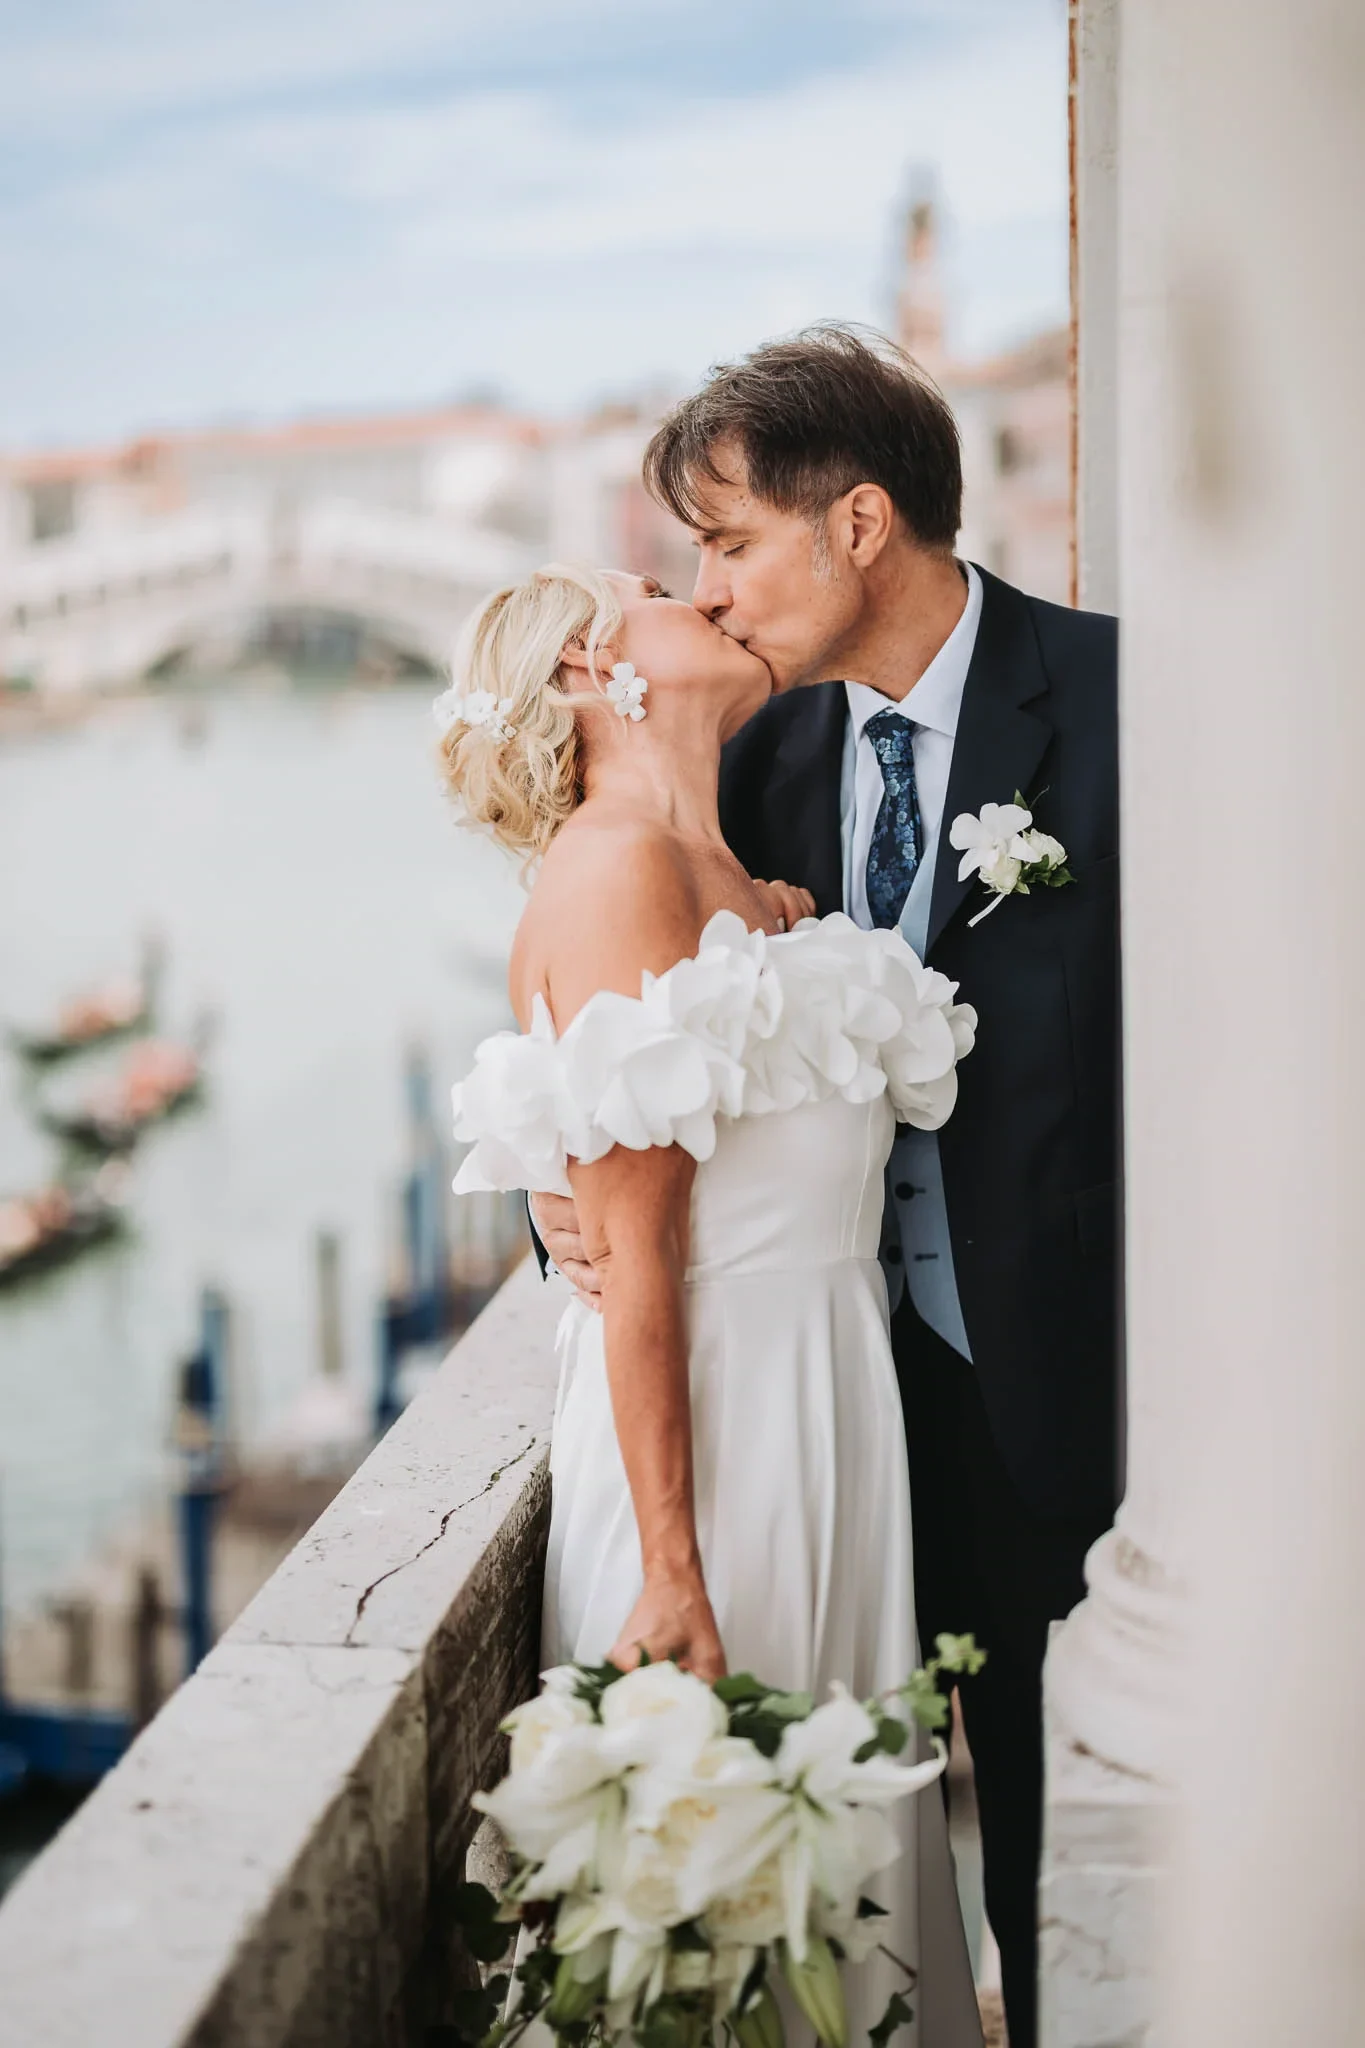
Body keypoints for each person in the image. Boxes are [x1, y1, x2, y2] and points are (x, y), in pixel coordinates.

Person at [537, 326, 1121, 2048]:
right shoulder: (759, 766)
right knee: (843, 1860)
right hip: (818, 1425)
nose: (709, 599)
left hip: (1073, 1412)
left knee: (1051, 1869)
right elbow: (636, 1047)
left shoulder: (1118, 704)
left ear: (859, 524)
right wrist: (561, 1211)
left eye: (730, 545)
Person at [441, 561, 984, 2046]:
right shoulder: (615, 872)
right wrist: (674, 1569)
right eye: (667, 593)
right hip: (720, 1446)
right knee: (741, 1915)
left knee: (845, 1877)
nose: (715, 601)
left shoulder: (738, 875)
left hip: (832, 1410)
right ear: (585, 678)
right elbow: (638, 1270)